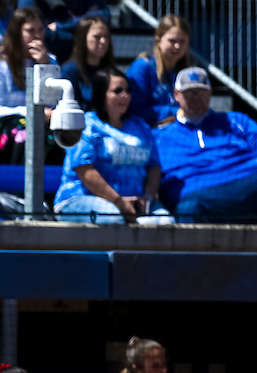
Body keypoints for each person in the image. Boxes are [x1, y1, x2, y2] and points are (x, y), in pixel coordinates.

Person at [55, 68, 165, 224]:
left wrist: (147, 199)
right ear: (102, 95)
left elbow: (154, 166)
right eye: (117, 91)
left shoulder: (140, 126)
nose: (125, 95)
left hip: (134, 203)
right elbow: (84, 170)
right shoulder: (87, 124)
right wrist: (119, 202)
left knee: (164, 222)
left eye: (128, 90)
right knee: (113, 219)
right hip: (79, 198)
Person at [154, 67, 257, 221]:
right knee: (188, 209)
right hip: (197, 194)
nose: (196, 97)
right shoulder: (159, 137)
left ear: (210, 93)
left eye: (201, 91)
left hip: (246, 182)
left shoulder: (237, 121)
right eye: (189, 92)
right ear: (177, 95)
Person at [0, 7, 57, 148]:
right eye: (30, 31)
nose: (38, 36)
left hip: (40, 133)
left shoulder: (50, 61)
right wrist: (34, 114)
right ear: (16, 33)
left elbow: (53, 105)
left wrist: (45, 68)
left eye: (41, 30)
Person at [127, 14, 191, 127]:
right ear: (158, 40)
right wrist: (173, 112)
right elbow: (135, 110)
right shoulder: (141, 68)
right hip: (148, 134)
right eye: (172, 41)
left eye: (182, 41)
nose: (177, 46)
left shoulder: (185, 72)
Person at [60, 16, 113, 110]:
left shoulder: (110, 71)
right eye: (97, 37)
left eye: (106, 37)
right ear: (83, 38)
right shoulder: (70, 71)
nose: (103, 41)